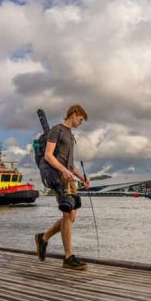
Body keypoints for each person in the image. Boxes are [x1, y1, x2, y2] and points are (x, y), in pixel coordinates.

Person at [35, 104, 90, 270]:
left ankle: (43, 238)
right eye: (80, 119)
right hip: (59, 178)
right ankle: (68, 257)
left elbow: (71, 165)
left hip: (69, 178)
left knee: (71, 217)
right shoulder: (56, 130)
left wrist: (83, 178)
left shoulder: (70, 135)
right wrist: (64, 171)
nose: (80, 123)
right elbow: (48, 155)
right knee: (67, 215)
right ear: (74, 114)